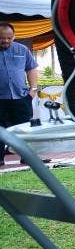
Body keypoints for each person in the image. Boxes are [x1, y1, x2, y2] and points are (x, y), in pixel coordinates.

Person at [0, 22, 39, 165]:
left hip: (21, 98)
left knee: (24, 129)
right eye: (2, 38)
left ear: (14, 36)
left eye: (9, 38)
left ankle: (27, 157)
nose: (5, 40)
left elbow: (31, 69)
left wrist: (33, 90)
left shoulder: (22, 50)